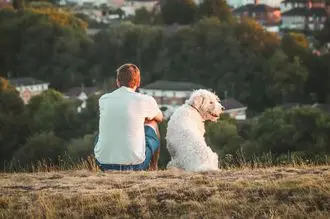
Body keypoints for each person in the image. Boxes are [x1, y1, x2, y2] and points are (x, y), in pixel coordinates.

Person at [94, 63, 163, 171]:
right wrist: (143, 118)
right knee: (153, 123)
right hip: (135, 165)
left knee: (105, 130)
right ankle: (153, 168)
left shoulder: (104, 99)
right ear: (138, 82)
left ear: (117, 82)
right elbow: (160, 117)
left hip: (103, 163)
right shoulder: (145, 100)